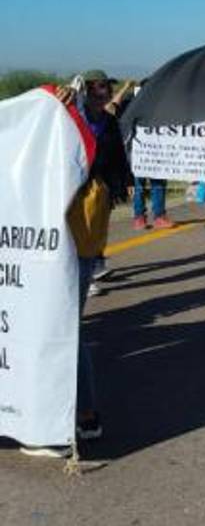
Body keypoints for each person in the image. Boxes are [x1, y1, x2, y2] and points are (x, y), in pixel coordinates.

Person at [24, 70, 133, 457]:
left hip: (78, 237)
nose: (102, 92)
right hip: (49, 236)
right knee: (50, 323)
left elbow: (99, 161)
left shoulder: (103, 129)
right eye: (94, 87)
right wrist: (57, 103)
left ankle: (80, 415)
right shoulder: (66, 115)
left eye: (106, 87)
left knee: (64, 325)